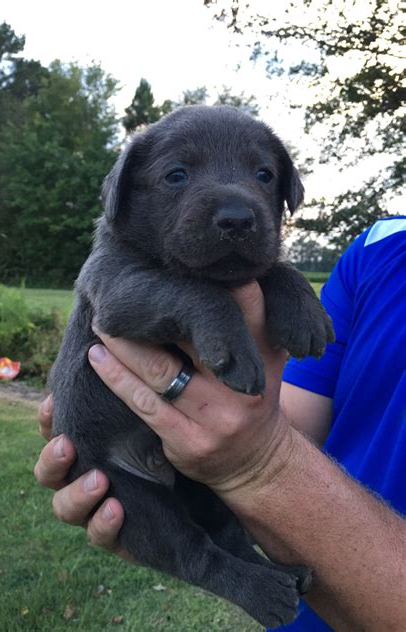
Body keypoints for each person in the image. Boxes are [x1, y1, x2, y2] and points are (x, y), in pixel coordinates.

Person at [34, 216, 406, 630]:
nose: (235, 200)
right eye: (176, 176)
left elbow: (260, 445)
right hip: (111, 453)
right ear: (124, 194)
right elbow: (117, 308)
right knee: (160, 523)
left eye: (262, 176)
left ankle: (244, 568)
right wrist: (230, 445)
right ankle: (234, 575)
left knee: (213, 523)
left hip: (166, 453)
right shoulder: (381, 246)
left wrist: (256, 460)